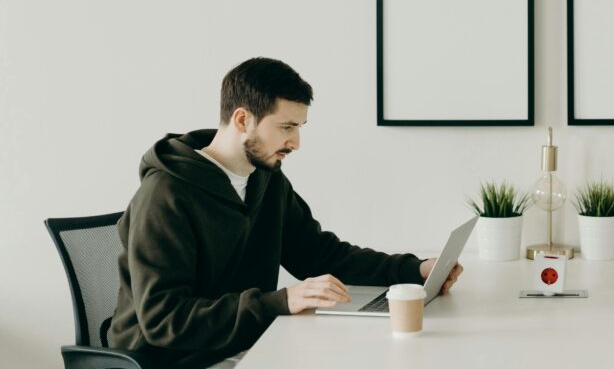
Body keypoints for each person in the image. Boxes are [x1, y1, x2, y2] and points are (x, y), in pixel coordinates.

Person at [109, 57, 463, 368]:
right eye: (286, 127)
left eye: (298, 128)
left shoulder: (267, 180)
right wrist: (281, 301)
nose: (295, 143)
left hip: (247, 344)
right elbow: (163, 320)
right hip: (176, 360)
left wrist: (412, 270)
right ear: (243, 119)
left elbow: (320, 254)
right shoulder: (165, 195)